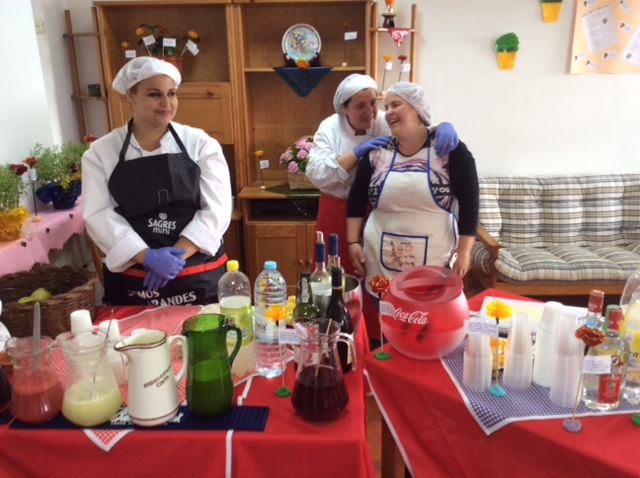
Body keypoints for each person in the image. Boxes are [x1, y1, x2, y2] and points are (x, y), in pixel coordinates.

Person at [82, 56, 232, 306]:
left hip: (195, 273)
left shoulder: (200, 144)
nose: (166, 103)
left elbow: (217, 209)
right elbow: (98, 214)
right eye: (154, 94)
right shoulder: (101, 152)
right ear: (130, 95)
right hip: (134, 280)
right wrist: (147, 257)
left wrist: (176, 257)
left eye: (171, 93)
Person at [346, 81, 479, 340]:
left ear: (417, 108)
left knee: (428, 329)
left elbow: (470, 201)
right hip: (381, 257)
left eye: (396, 104)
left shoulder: (448, 150)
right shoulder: (377, 153)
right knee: (390, 326)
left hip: (434, 258)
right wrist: (353, 242)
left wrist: (464, 252)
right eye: (386, 107)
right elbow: (356, 199)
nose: (389, 112)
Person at [306, 74, 459, 277]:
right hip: (335, 208)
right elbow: (316, 174)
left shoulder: (382, 119)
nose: (369, 112)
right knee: (334, 269)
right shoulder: (330, 127)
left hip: (373, 211)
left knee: (372, 270)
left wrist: (442, 127)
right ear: (344, 108)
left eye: (373, 103)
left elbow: (416, 130)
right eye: (360, 106)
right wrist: (356, 153)